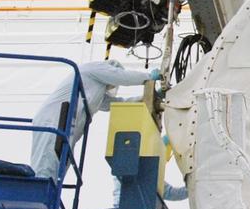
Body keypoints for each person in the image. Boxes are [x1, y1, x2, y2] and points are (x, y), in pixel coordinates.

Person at [29, 60, 160, 181]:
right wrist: (148, 77)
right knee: (47, 162)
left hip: (66, 127)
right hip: (54, 119)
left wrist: (149, 97)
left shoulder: (94, 90)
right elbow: (122, 76)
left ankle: (48, 198)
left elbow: (117, 104)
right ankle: (37, 196)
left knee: (58, 168)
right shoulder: (94, 69)